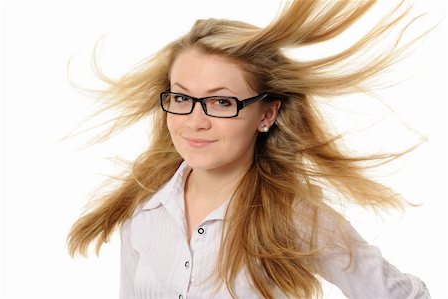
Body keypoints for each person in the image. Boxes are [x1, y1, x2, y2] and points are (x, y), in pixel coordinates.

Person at [67, 1, 432, 298]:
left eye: (222, 102)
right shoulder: (144, 206)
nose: (195, 121)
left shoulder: (294, 215)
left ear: (266, 114)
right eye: (181, 97)